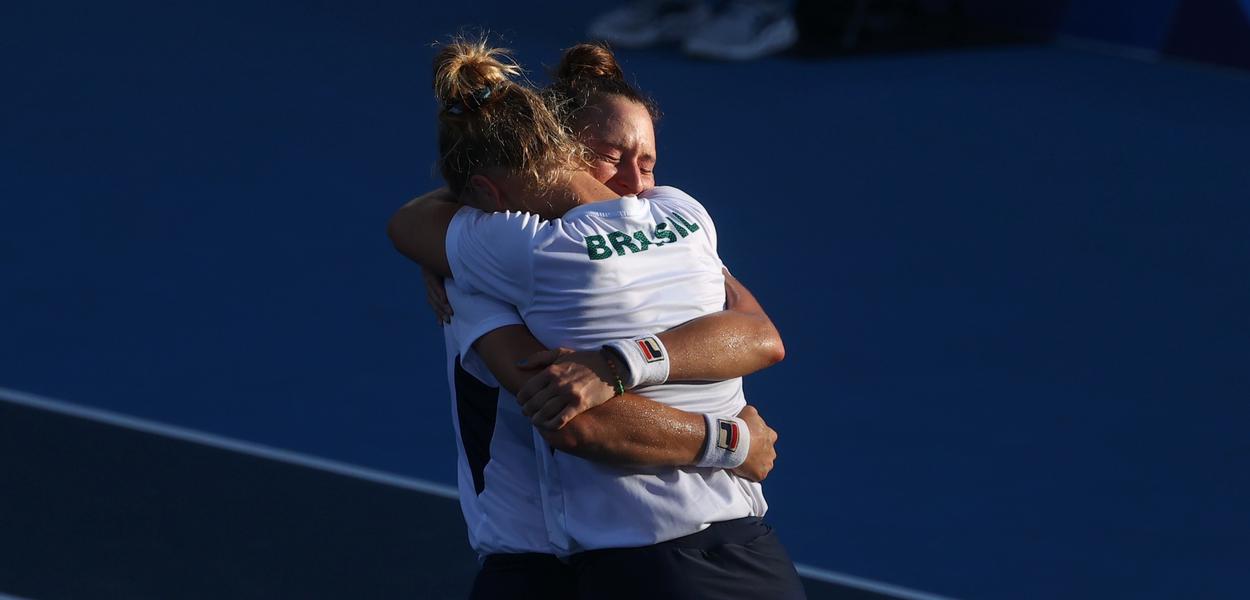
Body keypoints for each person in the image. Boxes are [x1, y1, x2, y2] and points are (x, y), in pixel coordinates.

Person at [390, 37, 805, 598]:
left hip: (660, 559)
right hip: (618, 562)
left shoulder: (511, 252)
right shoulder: (683, 215)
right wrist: (734, 440)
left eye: (647, 162)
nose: (635, 184)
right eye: (610, 158)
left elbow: (579, 421)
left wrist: (618, 364)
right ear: (559, 148)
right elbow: (758, 334)